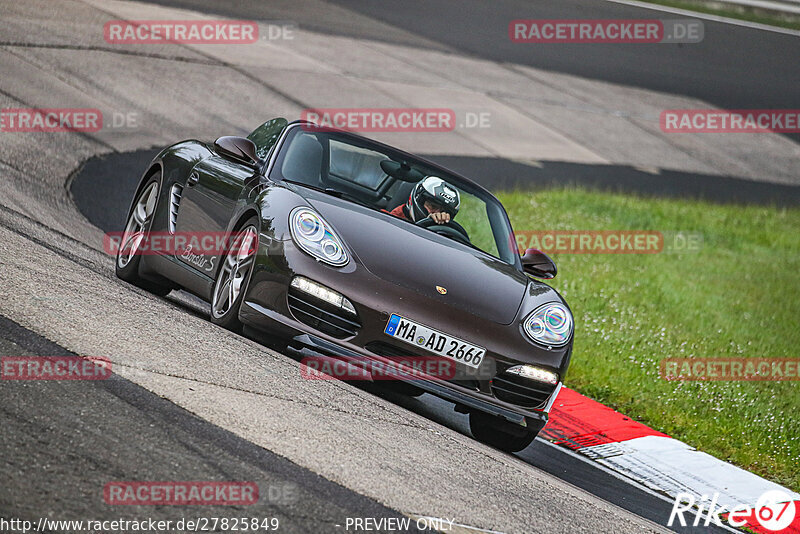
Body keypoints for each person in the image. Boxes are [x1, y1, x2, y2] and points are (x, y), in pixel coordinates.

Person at [389, 176, 461, 224]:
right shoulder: (389, 221)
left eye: (444, 212)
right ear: (418, 198)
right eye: (433, 206)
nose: (437, 214)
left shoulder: (448, 235)